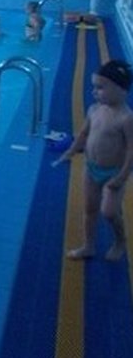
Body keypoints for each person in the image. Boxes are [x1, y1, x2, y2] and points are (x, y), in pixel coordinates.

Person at [53, 60, 133, 261]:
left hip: (114, 173)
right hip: (91, 168)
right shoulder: (94, 110)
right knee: (90, 209)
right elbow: (83, 133)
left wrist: (122, 176)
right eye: (94, 87)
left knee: (109, 212)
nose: (94, 92)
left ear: (121, 90)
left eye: (100, 88)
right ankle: (88, 246)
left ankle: (120, 240)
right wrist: (71, 151)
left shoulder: (126, 118)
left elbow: (131, 149)